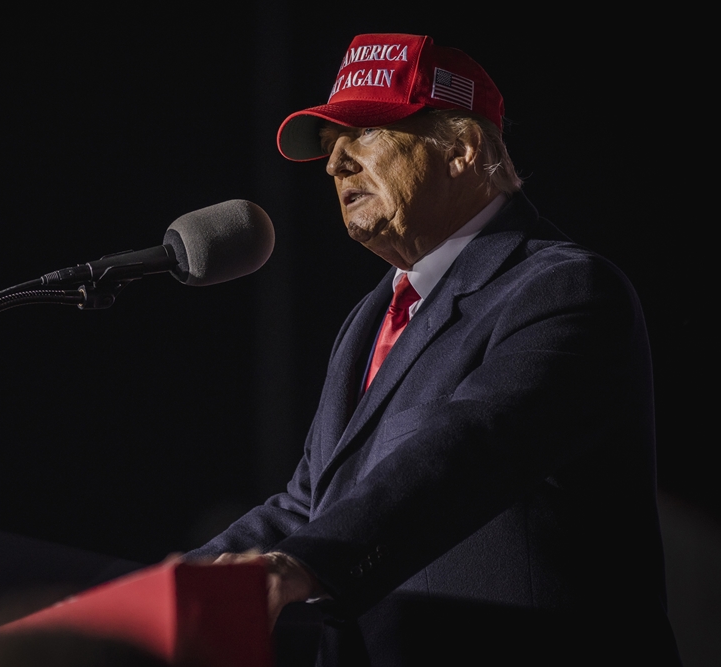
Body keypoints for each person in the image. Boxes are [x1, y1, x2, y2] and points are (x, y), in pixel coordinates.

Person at [186, 34, 680, 665]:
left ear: (461, 149)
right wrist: (154, 592)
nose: (335, 164)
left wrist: (305, 562)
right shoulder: (370, 320)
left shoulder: (567, 289)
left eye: (362, 134)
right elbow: (306, 505)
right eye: (330, 148)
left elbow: (472, 448)